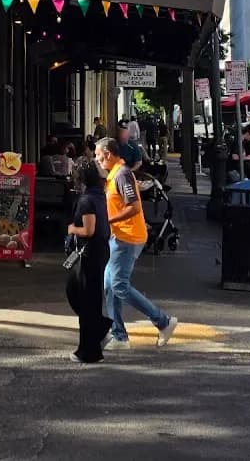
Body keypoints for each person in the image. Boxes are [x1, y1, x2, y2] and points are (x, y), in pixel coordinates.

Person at [95, 137, 177, 350]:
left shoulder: (121, 175)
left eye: (98, 155)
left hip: (127, 238)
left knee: (118, 285)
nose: (96, 159)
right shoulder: (116, 175)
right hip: (121, 237)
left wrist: (109, 220)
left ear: (108, 154)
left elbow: (134, 207)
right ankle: (119, 335)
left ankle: (162, 321)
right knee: (110, 285)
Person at [65, 158, 112, 364]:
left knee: (85, 300)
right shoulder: (99, 196)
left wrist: (72, 229)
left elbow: (88, 230)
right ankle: (100, 329)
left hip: (89, 253)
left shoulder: (86, 201)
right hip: (99, 251)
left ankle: (89, 349)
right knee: (86, 298)